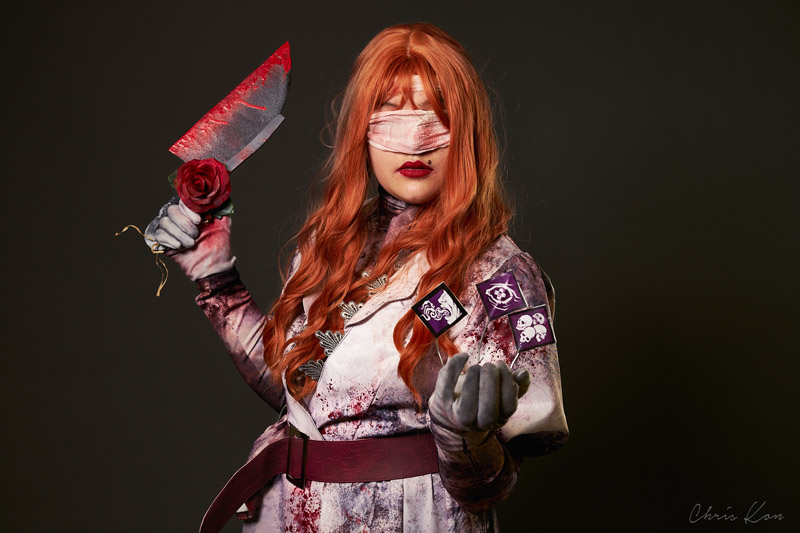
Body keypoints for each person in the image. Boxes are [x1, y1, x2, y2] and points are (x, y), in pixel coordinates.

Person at [146, 22, 568, 532]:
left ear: (468, 130)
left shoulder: (497, 275)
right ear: (362, 130)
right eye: (390, 113)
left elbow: (490, 485)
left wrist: (465, 436)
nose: (414, 140)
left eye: (436, 113)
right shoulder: (333, 250)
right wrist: (216, 279)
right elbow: (306, 390)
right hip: (295, 515)